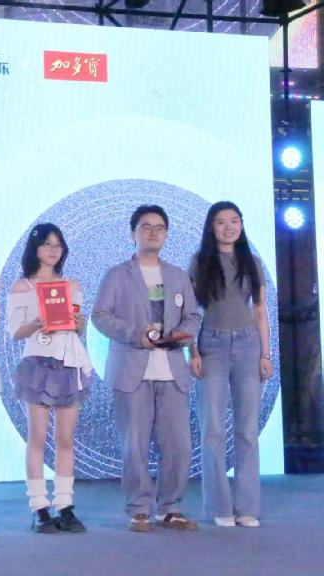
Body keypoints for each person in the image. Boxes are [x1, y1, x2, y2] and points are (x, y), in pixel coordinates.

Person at [91, 204, 201, 533]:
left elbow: (193, 316)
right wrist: (134, 334)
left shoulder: (178, 275)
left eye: (159, 227)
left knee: (178, 444)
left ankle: (170, 507)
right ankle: (139, 509)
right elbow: (100, 316)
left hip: (172, 370)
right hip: (131, 370)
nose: (153, 232)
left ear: (166, 235)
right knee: (134, 445)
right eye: (145, 226)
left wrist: (183, 334)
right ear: (132, 234)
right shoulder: (116, 274)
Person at [188, 201, 272, 528]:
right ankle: (220, 506)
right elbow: (191, 312)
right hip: (211, 344)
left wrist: (265, 354)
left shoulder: (253, 261)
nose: (229, 227)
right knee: (212, 429)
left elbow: (260, 310)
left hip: (249, 344)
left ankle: (247, 506)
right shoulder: (199, 262)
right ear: (212, 227)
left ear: (241, 225)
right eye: (221, 222)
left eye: (234, 221)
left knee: (247, 429)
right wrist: (193, 352)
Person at [7, 223, 92, 534]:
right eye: (47, 244)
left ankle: (65, 505)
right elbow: (15, 332)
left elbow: (79, 327)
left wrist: (79, 323)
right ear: (35, 249)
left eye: (58, 244)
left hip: (69, 363)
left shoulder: (72, 285)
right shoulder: (22, 287)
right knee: (38, 437)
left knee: (66, 438)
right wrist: (36, 322)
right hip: (38, 363)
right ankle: (39, 507)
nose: (53, 250)